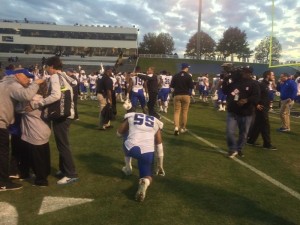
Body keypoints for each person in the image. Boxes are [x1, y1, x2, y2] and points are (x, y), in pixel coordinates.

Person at [38, 56, 79, 184]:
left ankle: (71, 173)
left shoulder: (55, 77)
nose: (46, 69)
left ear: (51, 67)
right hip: (67, 113)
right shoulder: (65, 76)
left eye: (47, 67)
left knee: (63, 145)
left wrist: (40, 103)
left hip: (61, 115)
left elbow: (55, 95)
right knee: (62, 143)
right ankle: (64, 169)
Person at [0, 73, 44, 191]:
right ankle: (3, 182)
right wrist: (36, 83)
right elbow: (26, 95)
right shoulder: (12, 85)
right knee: (3, 154)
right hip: (1, 123)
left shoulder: (4, 83)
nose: (29, 80)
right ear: (18, 76)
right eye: (26, 77)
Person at [117, 111, 164, 202]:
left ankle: (128, 167)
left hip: (130, 148)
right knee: (147, 175)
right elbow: (159, 145)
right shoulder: (155, 121)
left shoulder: (131, 116)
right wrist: (160, 165)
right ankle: (144, 182)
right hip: (146, 152)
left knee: (126, 135)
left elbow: (119, 133)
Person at [222, 66, 260, 158]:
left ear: (250, 73)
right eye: (243, 71)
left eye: (246, 72)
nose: (244, 73)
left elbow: (256, 97)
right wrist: (225, 80)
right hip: (232, 111)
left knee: (243, 134)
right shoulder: (236, 82)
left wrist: (246, 100)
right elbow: (225, 91)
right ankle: (232, 149)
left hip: (245, 113)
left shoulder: (254, 84)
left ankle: (239, 149)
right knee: (229, 132)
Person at [247, 70, 277, 150]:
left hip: (264, 108)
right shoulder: (262, 85)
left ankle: (251, 141)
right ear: (268, 76)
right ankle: (267, 144)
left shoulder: (267, 84)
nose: (274, 76)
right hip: (262, 108)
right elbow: (255, 95)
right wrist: (256, 104)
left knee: (257, 125)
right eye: (272, 75)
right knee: (265, 126)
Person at [170, 63, 194, 135]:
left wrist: (173, 94)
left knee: (176, 112)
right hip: (186, 95)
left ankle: (176, 127)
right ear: (186, 68)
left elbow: (172, 87)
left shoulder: (176, 75)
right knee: (184, 112)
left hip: (177, 95)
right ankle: (183, 128)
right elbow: (191, 87)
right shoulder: (188, 76)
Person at [96, 66, 113, 130]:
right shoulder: (108, 79)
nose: (112, 72)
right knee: (103, 111)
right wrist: (110, 100)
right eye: (111, 70)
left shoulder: (100, 76)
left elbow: (97, 82)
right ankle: (101, 126)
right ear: (108, 71)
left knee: (107, 110)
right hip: (103, 95)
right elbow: (108, 91)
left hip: (99, 93)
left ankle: (107, 124)